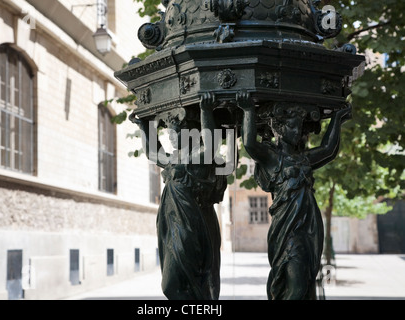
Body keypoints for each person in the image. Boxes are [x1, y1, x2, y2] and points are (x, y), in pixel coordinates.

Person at [236, 90, 351, 300]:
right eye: (293, 126)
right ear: (279, 128)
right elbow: (250, 143)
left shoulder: (303, 159)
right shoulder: (272, 158)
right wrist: (248, 110)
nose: (298, 131)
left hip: (308, 228)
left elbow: (328, 149)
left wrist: (337, 119)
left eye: (299, 126)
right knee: (296, 288)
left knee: (306, 284)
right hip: (288, 231)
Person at [130, 92, 227, 300]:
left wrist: (206, 111)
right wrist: (144, 126)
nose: (172, 138)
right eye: (171, 134)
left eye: (176, 133)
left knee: (189, 277)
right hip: (172, 222)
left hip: (193, 223)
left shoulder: (199, 156)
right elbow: (153, 153)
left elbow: (212, 145)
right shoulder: (173, 159)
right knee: (170, 282)